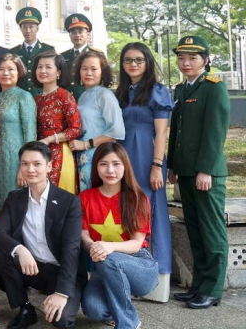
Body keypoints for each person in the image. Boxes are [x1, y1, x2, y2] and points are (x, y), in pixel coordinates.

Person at [0, 142, 84, 329]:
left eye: (37, 164)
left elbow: (71, 249)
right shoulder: (15, 198)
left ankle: (62, 294)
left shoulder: (69, 202)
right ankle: (25, 308)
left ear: (49, 166)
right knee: (1, 253)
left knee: (62, 320)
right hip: (33, 267)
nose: (30, 169)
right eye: (24, 164)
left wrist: (62, 292)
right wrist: (20, 249)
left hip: (61, 271)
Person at [168, 36, 230, 309]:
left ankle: (213, 290)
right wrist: (172, 165)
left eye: (192, 58)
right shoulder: (181, 89)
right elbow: (177, 131)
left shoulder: (214, 88)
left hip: (206, 174)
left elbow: (215, 133)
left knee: (211, 232)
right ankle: (199, 286)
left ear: (205, 60)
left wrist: (205, 170)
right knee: (195, 231)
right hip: (186, 171)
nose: (186, 63)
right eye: (181, 58)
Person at [115, 42, 174, 299]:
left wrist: (157, 166)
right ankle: (126, 275)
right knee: (124, 210)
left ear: (148, 62)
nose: (133, 64)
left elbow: (161, 132)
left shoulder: (157, 91)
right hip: (121, 156)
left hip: (147, 156)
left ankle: (156, 278)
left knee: (150, 212)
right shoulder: (120, 92)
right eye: (128, 60)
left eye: (139, 60)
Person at [80, 143, 158, 329]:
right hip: (103, 264)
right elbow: (83, 236)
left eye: (116, 164)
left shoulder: (138, 198)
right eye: (103, 164)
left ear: (125, 166)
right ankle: (119, 306)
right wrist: (96, 247)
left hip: (139, 265)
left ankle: (129, 326)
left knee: (109, 258)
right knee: (94, 310)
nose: (110, 170)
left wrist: (108, 247)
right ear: (96, 167)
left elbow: (136, 243)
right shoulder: (85, 198)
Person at [0, 54, 37, 218]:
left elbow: (30, 135)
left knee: (15, 204)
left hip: (16, 160)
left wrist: (25, 167)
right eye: (1, 69)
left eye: (11, 69)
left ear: (19, 72)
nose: (5, 73)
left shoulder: (24, 97)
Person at [68, 51, 125, 193]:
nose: (89, 73)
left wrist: (86, 144)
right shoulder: (83, 96)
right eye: (84, 68)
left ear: (102, 72)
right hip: (83, 156)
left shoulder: (105, 95)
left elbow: (117, 131)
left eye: (94, 69)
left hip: (99, 156)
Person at [32, 51, 82, 194]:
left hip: (60, 152)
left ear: (58, 72)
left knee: (57, 196)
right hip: (40, 153)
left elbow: (76, 128)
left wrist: (50, 139)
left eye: (48, 67)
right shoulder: (36, 99)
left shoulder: (64, 96)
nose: (43, 70)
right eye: (40, 67)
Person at [9, 7, 53, 91]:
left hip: (42, 94)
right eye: (25, 27)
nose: (28, 30)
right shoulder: (13, 52)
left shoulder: (48, 50)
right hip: (20, 95)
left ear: (37, 28)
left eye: (31, 27)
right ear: (21, 29)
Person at [60, 14, 100, 101]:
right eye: (73, 32)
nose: (77, 35)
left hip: (89, 101)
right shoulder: (63, 56)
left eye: (80, 31)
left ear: (88, 34)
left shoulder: (97, 55)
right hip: (67, 102)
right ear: (69, 36)